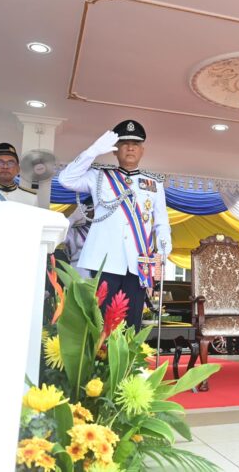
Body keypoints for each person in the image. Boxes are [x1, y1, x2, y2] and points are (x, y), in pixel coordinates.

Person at [58, 120, 172, 331]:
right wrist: (93, 151)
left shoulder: (154, 184)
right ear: (115, 150)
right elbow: (66, 179)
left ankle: (129, 365)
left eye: (135, 144)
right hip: (105, 263)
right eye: (125, 143)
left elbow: (162, 223)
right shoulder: (99, 176)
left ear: (142, 150)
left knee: (132, 326)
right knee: (101, 325)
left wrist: (164, 251)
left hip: (138, 264)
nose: (130, 147)